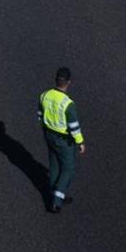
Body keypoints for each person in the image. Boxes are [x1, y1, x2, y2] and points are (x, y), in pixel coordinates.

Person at [38, 67, 84, 213]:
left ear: (56, 80)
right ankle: (56, 201)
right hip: (64, 140)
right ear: (68, 82)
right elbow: (74, 127)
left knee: (54, 166)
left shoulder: (44, 95)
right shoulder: (68, 104)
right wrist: (80, 142)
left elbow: (39, 115)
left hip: (48, 135)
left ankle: (54, 193)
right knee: (68, 169)